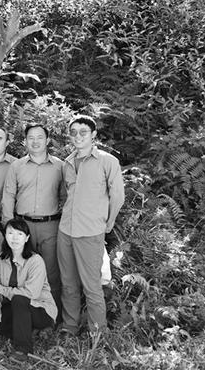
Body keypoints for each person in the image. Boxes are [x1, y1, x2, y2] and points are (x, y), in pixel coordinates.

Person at [58, 115, 124, 336]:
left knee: (92, 286)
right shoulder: (67, 163)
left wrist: (110, 221)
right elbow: (66, 195)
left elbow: (117, 196)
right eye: (73, 132)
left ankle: (98, 334)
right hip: (65, 230)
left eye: (83, 132)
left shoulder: (107, 161)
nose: (78, 136)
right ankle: (69, 327)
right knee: (68, 283)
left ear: (93, 134)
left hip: (90, 232)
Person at [2, 123, 65, 310]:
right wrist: (8, 225)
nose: (35, 141)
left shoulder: (60, 166)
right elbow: (8, 195)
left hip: (50, 226)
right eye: (31, 137)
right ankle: (24, 314)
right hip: (23, 226)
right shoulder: (16, 166)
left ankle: (51, 314)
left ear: (47, 140)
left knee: (51, 272)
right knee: (22, 270)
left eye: (39, 137)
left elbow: (65, 197)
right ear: (25, 141)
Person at [0, 218, 57, 362]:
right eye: (10, 233)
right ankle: (31, 331)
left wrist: (4, 290)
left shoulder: (35, 260)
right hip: (17, 308)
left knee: (19, 300)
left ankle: (23, 350)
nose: (14, 238)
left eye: (19, 234)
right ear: (5, 236)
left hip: (40, 309)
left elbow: (31, 294)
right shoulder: (2, 259)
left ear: (26, 238)